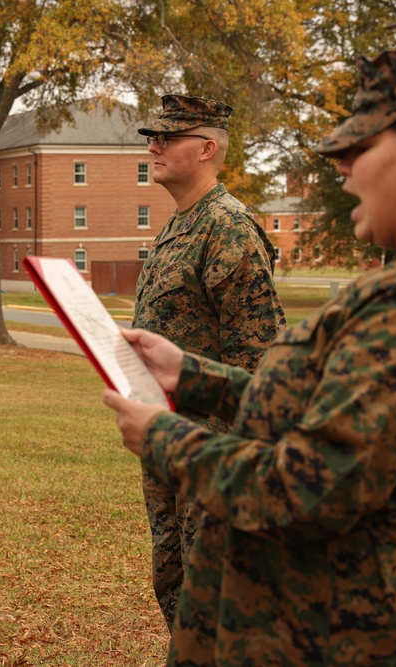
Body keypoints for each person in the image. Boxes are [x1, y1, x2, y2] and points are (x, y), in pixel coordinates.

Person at [104, 44, 396, 666]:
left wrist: (165, 437)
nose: (341, 168)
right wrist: (196, 378)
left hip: (392, 630)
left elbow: (308, 488)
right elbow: (341, 409)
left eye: (361, 148)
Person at [132, 95, 285, 628]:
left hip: (212, 451)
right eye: (153, 135)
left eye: (167, 137)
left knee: (211, 599)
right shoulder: (178, 225)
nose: (154, 144)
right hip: (168, 442)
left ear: (205, 148)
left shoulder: (229, 227)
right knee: (174, 588)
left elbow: (259, 360)